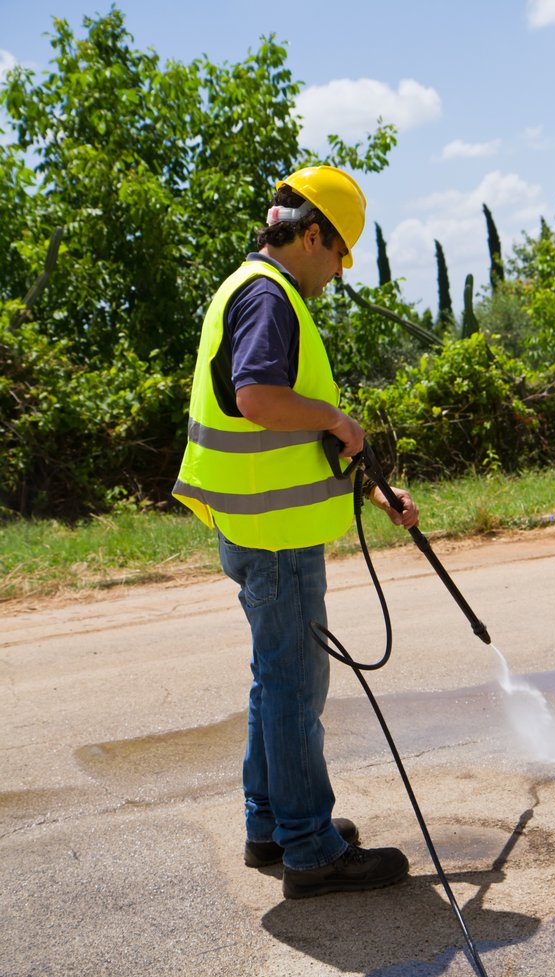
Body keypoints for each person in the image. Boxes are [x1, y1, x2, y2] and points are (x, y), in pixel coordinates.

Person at [173, 164, 419, 899]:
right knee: (292, 685)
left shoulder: (247, 288)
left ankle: (272, 825)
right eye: (339, 252)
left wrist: (374, 488)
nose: (340, 271)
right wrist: (338, 419)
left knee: (272, 679)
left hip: (257, 522)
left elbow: (286, 430)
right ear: (310, 235)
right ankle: (310, 848)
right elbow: (257, 398)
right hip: (274, 536)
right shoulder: (269, 297)